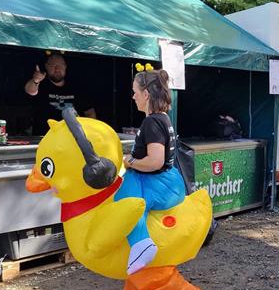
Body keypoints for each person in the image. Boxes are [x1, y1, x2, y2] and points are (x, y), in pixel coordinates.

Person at [113, 66, 185, 275]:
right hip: (168, 181)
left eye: (135, 91)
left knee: (126, 200)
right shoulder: (161, 118)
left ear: (146, 94)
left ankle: (141, 244)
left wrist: (129, 162)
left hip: (158, 182)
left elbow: (154, 161)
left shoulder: (152, 122)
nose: (133, 96)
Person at [24, 52, 96, 135]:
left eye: (61, 65)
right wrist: (35, 80)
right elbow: (30, 91)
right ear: (46, 67)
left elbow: (90, 112)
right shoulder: (41, 84)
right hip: (45, 138)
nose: (57, 69)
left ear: (65, 67)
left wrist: (91, 133)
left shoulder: (76, 87)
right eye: (53, 65)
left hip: (72, 138)